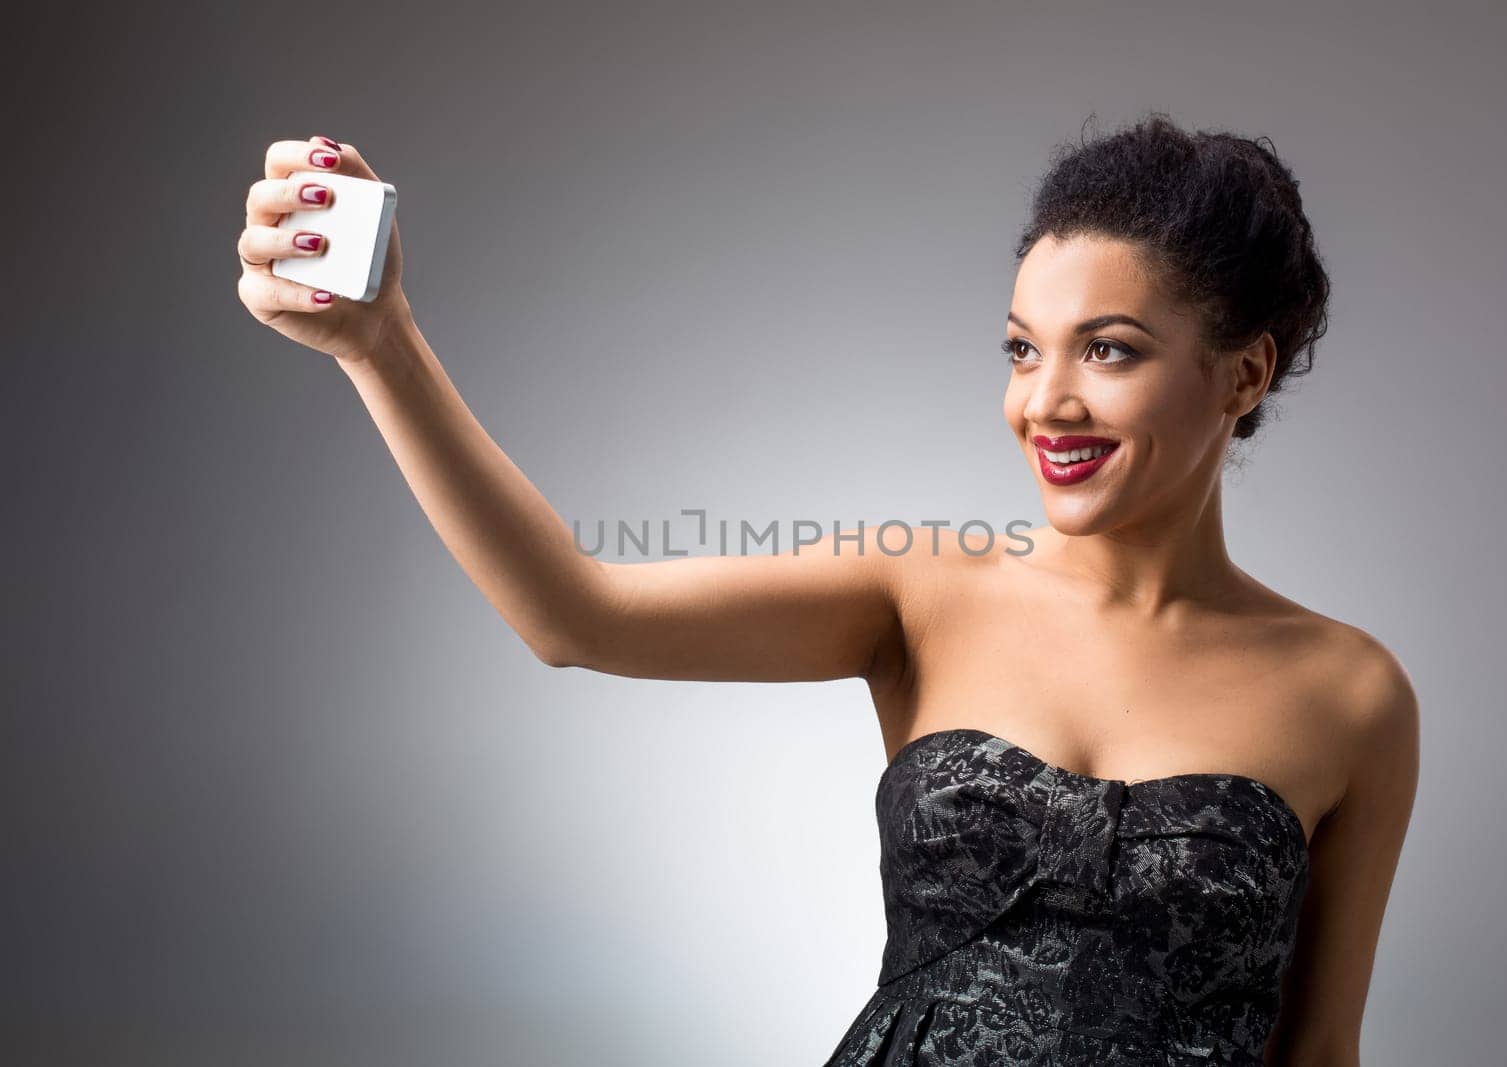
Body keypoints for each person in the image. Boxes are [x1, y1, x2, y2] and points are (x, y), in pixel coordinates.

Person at [236, 112, 1419, 1065]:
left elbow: (1318, 1046)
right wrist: (380, 341)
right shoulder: (921, 590)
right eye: (1021, 347)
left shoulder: (1349, 693)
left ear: (1243, 370)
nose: (1044, 400)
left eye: (1107, 349)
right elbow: (573, 613)